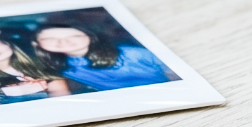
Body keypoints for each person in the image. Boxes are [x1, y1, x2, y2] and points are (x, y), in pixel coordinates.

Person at [33, 22, 173, 92]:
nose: (63, 42)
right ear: (37, 43)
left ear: (90, 36)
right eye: (50, 38)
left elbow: (176, 74)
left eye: (75, 35)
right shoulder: (56, 65)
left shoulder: (133, 53)